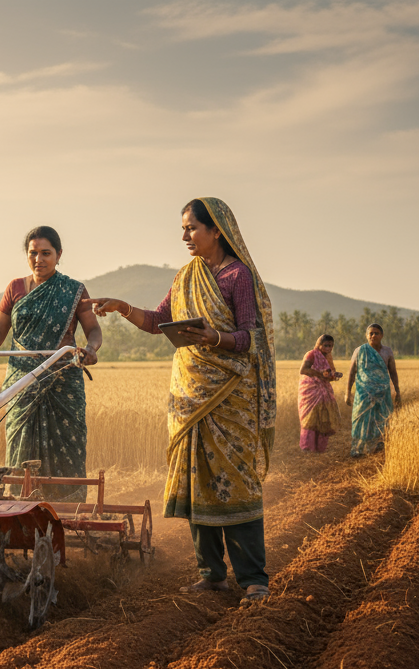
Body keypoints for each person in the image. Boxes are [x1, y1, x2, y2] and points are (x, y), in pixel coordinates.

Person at [86, 197, 276, 603]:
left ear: (216, 230)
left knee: (236, 483)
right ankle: (210, 573)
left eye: (192, 227)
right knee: (197, 479)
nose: (185, 235)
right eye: (184, 228)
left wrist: (215, 338)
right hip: (190, 398)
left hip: (230, 399)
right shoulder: (186, 276)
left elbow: (249, 337)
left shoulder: (237, 276)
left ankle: (253, 578)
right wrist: (122, 307)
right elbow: (158, 322)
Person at [0, 225, 102, 502]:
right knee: (21, 442)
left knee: (66, 445)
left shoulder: (74, 290)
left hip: (63, 381)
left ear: (59, 255)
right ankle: (20, 502)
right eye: (33, 253)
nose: (39, 259)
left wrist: (91, 349)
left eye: (46, 253)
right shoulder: (15, 288)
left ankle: (68, 507)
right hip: (22, 382)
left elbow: (93, 330)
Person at [345, 323, 400, 457]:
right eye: (371, 333)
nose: (373, 335)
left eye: (376, 333)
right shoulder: (359, 350)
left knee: (382, 418)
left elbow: (392, 372)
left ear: (382, 335)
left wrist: (398, 392)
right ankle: (359, 449)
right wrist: (347, 392)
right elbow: (352, 372)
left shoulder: (387, 351)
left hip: (383, 393)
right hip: (364, 393)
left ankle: (380, 446)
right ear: (366, 335)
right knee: (361, 418)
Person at [298, 334, 342, 453]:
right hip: (311, 389)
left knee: (324, 416)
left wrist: (334, 375)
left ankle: (320, 447)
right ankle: (307, 447)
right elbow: (303, 370)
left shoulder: (328, 357)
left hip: (324, 389)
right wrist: (319, 374)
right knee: (310, 417)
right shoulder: (311, 354)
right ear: (319, 344)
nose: (328, 348)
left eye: (331, 346)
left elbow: (329, 375)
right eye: (326, 345)